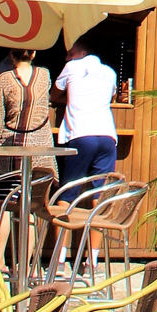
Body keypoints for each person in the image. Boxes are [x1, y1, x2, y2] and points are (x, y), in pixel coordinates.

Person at [53, 36, 120, 199]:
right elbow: (112, 97)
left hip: (81, 134)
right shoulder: (110, 72)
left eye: (71, 53)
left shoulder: (71, 66)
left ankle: (62, 217)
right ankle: (99, 218)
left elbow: (54, 95)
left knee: (67, 194)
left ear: (83, 53)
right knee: (99, 196)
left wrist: (68, 99)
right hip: (107, 137)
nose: (67, 58)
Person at [0, 48, 56, 176]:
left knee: (8, 181)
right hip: (41, 143)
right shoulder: (44, 74)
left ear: (11, 56)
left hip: (11, 142)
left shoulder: (5, 78)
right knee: (39, 181)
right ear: (33, 54)